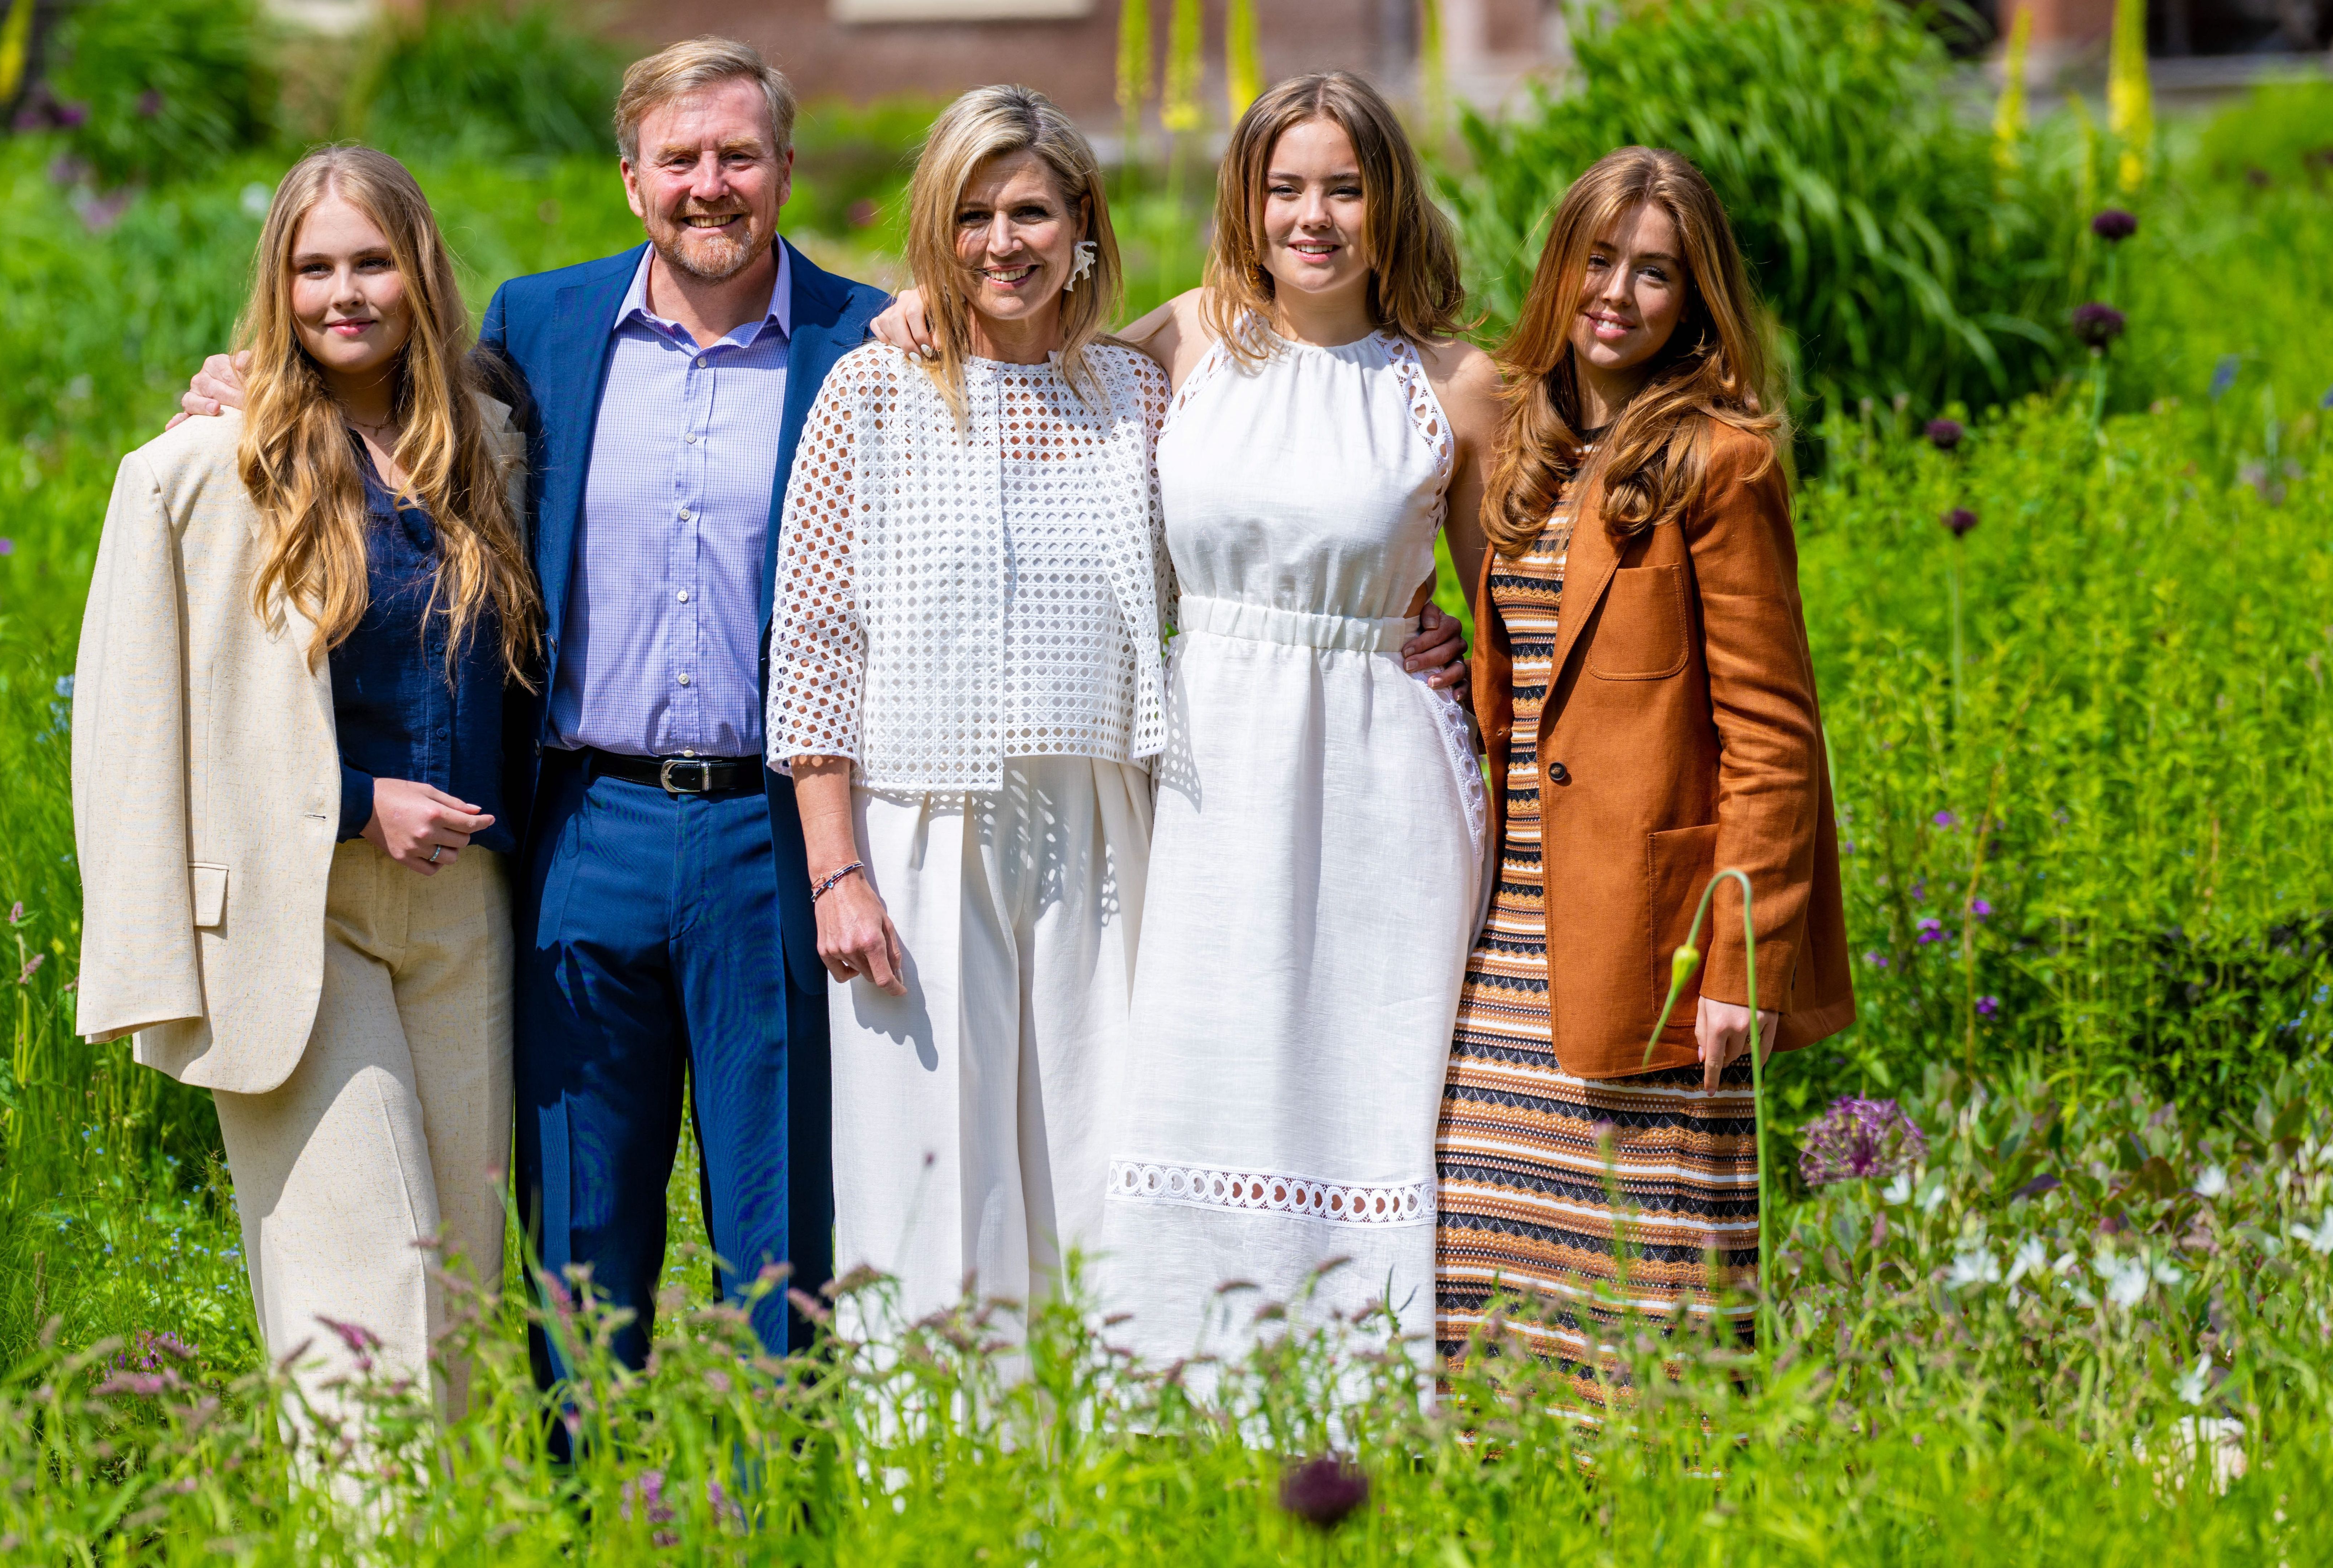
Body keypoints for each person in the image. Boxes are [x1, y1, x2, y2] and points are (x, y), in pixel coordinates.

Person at [180, 40, 892, 1384]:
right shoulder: (540, 330)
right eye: (678, 159)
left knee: (779, 1229)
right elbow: (387, 414)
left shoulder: (862, 341)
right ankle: (583, 1511)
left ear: (786, 171)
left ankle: (780, 1514)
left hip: (770, 838)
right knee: (575, 1233)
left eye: (738, 156)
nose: (710, 186)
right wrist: (240, 383)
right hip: (582, 831)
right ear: (631, 180)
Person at [872, 72, 1497, 1387]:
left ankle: (1359, 1388)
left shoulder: (1459, 384)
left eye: (1344, 185)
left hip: (1381, 763)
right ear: (1244, 201)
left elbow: (1505, 611)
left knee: (1359, 1074)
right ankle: (1182, 1385)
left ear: (1391, 198)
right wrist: (925, 300)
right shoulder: (1186, 341)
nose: (1312, 216)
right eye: (1283, 187)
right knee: (1195, 1064)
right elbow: (1029, 358)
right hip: (1208, 762)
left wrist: (1436, 639)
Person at [74, 145, 541, 1426]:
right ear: (278, 285)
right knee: (365, 1303)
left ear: (421, 272)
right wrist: (358, 800)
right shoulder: (200, 469)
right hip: (301, 913)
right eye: (315, 266)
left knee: (461, 1302)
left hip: (466, 921)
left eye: (373, 262)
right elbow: (138, 731)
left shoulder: (489, 445)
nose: (347, 292)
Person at [1433, 147, 1854, 1400]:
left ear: (1695, 297)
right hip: (1504, 922)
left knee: (1645, 1296)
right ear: (1561, 267)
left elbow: (1775, 735)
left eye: (1656, 272)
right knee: (1485, 1254)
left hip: (1657, 937)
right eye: (1600, 260)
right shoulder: (1521, 446)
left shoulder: (1719, 459)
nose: (1618, 294)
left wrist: (1741, 964)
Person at [767, 85, 1167, 1346]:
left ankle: (1105, 1486)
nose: (1006, 242)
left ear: (1083, 228)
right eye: (976, 215)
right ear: (938, 233)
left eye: (1034, 211)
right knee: (929, 1180)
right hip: (918, 831)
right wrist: (837, 872)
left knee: (1102, 1167)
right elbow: (816, 646)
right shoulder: (870, 396)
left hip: (1108, 825)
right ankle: (935, 1493)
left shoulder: (1138, 398)